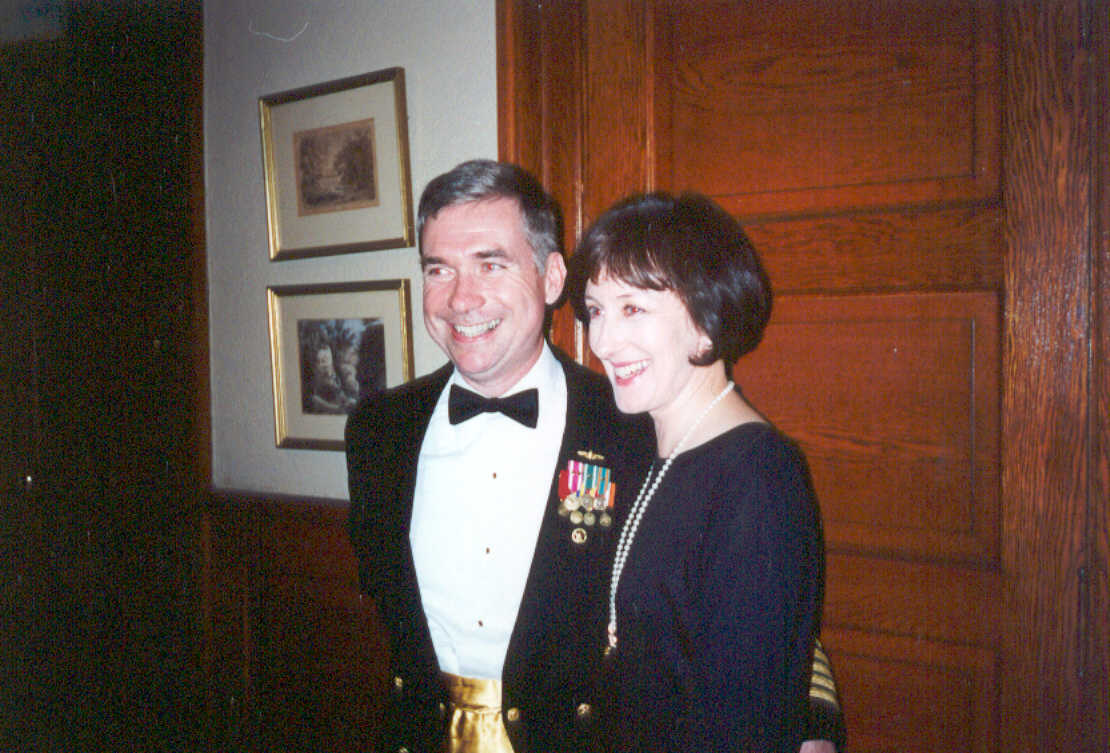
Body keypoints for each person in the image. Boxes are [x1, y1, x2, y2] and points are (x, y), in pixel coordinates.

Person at [346, 160, 843, 753]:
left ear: (552, 277)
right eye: (439, 269)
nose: (461, 299)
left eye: (491, 264)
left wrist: (812, 724)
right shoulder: (379, 434)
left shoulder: (638, 424)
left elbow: (748, 599)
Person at [566, 190, 835, 753]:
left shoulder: (757, 479)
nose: (603, 341)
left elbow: (742, 721)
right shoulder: (638, 443)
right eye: (595, 310)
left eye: (633, 308)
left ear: (707, 323)